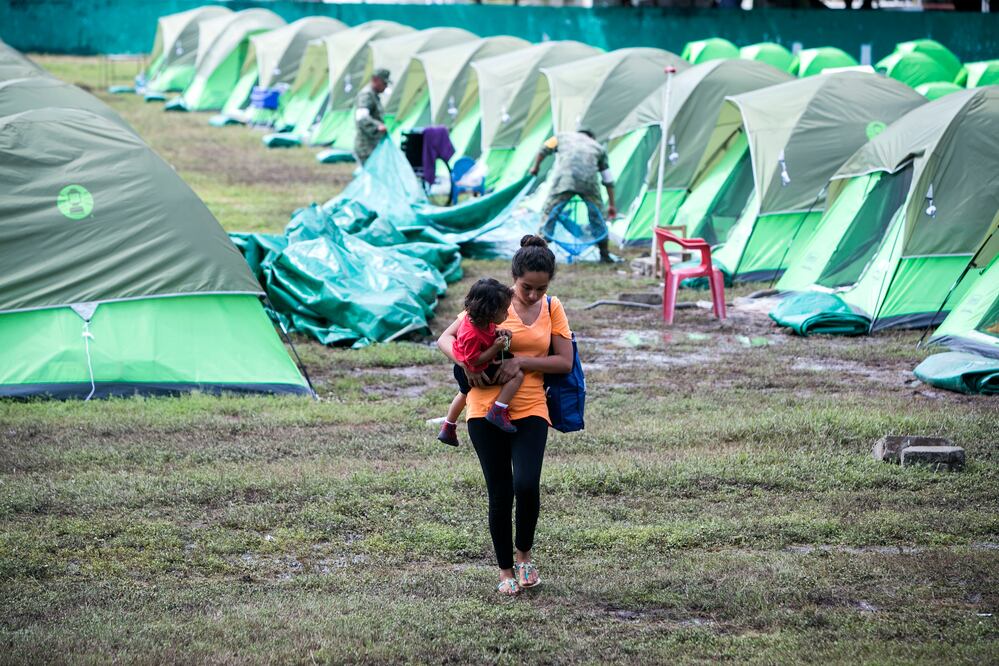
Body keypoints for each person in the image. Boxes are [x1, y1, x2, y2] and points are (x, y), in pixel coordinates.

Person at [437, 236, 574, 596]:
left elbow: (564, 361)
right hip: (484, 408)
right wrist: (467, 365)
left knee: (526, 485)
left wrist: (521, 362)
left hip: (530, 406)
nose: (532, 295)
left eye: (540, 288)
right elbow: (446, 339)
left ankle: (524, 554)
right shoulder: (492, 303)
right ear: (514, 277)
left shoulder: (552, 307)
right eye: (526, 287)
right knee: (499, 492)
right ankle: (504, 571)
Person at [438, 278, 525, 446]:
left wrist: (500, 332)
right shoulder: (471, 333)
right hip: (475, 368)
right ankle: (498, 410)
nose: (507, 314)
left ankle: (448, 426)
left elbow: (488, 334)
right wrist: (495, 348)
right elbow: (473, 361)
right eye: (504, 311)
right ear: (490, 311)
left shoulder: (481, 322)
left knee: (463, 393)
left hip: (465, 366)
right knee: (517, 375)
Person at [529, 129, 617, 263]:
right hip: (589, 182)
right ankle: (604, 254)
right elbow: (608, 179)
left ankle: (537, 254)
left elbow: (544, 149)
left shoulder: (561, 136)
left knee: (549, 213)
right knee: (597, 216)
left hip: (564, 180)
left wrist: (535, 167)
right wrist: (611, 205)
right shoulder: (598, 147)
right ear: (591, 137)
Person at [353, 68, 390, 164]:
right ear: (375, 80)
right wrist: (377, 126)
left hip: (372, 145)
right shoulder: (366, 95)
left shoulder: (374, 95)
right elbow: (361, 117)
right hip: (366, 146)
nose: (386, 86)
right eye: (384, 83)